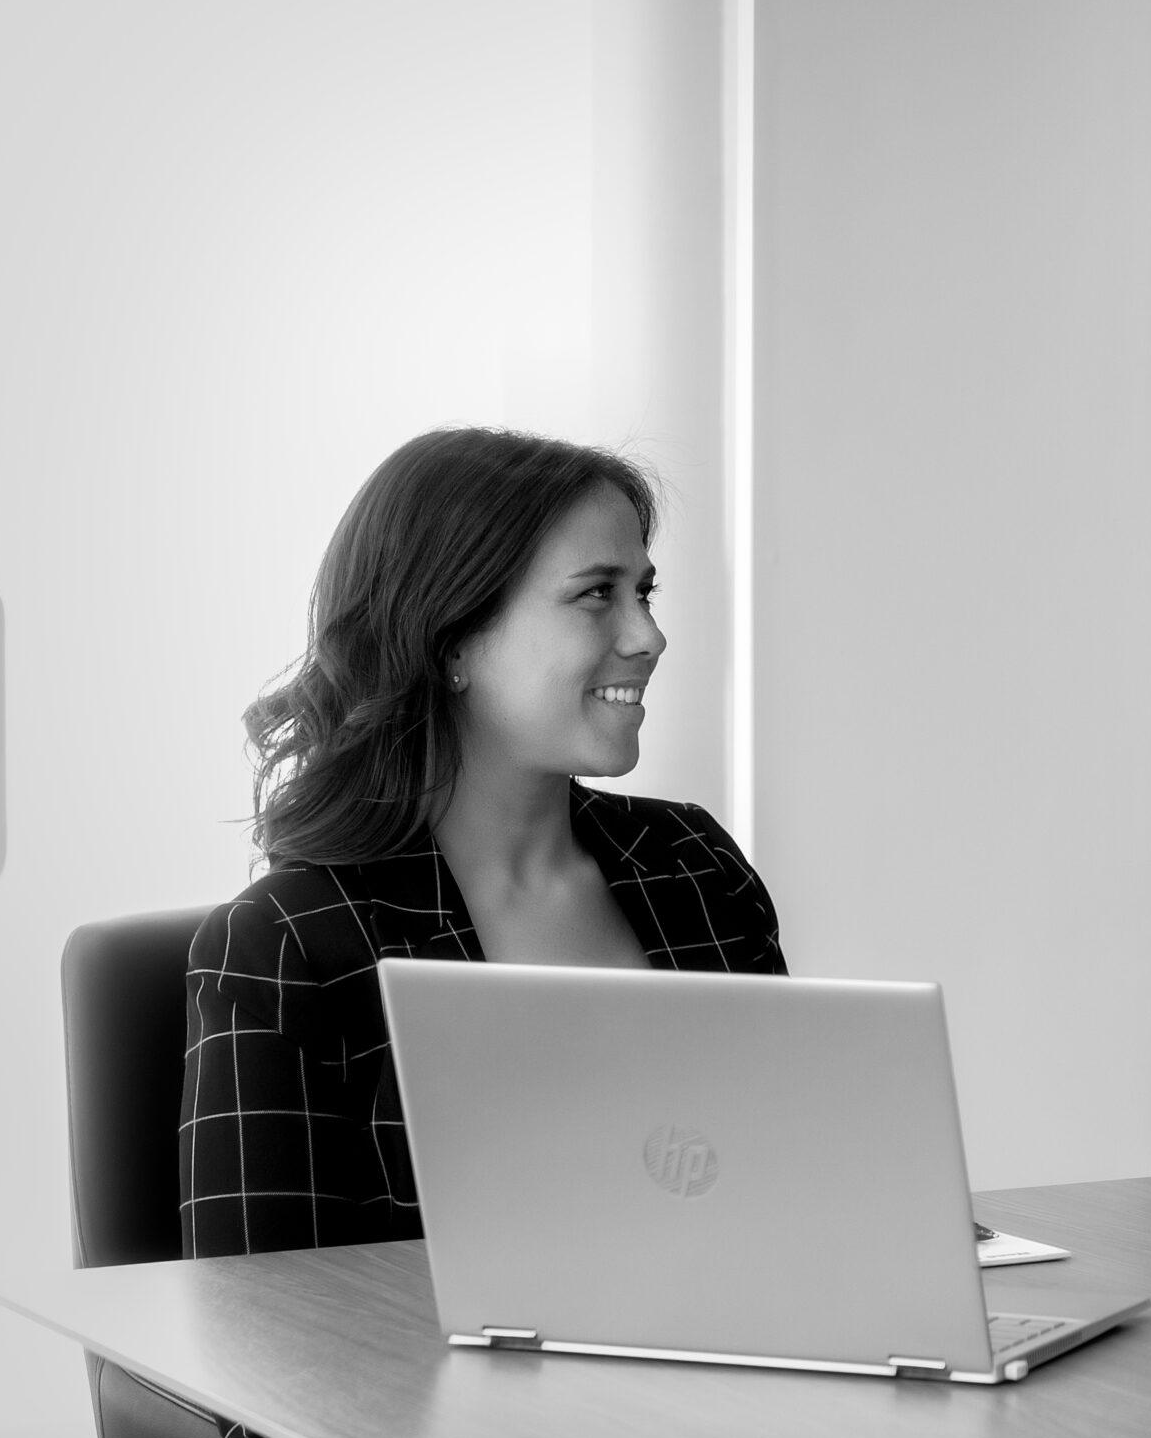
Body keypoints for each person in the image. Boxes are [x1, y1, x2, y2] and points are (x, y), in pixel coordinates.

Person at [180, 428, 785, 1260]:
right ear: (453, 639)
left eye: (644, 592)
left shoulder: (696, 868)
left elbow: (796, 1198)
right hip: (434, 1394)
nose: (648, 635)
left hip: (730, 1377)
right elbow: (266, 1335)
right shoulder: (291, 945)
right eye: (596, 594)